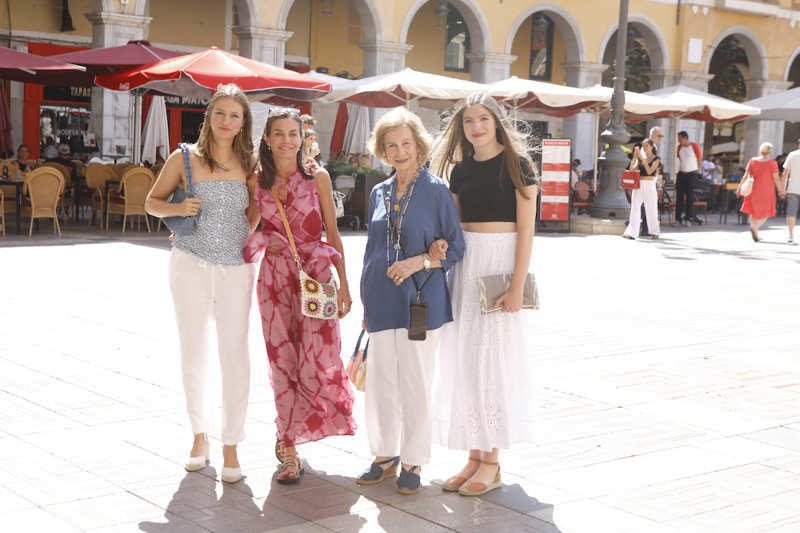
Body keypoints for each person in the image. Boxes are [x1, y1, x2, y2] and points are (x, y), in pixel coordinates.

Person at [144, 84, 259, 484]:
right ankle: (199, 436)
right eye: (221, 113)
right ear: (208, 116)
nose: (227, 122)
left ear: (244, 123)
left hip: (237, 268)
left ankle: (231, 443)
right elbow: (151, 202)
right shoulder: (184, 157)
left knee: (236, 357)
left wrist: (246, 235)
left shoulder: (251, 163)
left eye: (235, 115)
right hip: (189, 264)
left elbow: (259, 210)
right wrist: (177, 208)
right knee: (193, 353)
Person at [431, 93, 539, 497]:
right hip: (465, 265)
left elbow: (527, 231)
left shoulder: (518, 166)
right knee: (465, 360)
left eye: (483, 119)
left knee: (492, 361)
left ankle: (492, 461)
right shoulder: (458, 171)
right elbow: (453, 227)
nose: (476, 127)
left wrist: (515, 286)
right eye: (469, 121)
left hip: (500, 264)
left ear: (497, 122)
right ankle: (474, 455)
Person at [243, 109, 356, 484]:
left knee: (318, 357)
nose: (287, 140)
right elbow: (245, 223)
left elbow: (333, 234)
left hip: (316, 276)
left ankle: (303, 428)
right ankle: (287, 445)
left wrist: (344, 284)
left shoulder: (318, 177)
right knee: (281, 360)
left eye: (293, 134)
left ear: (303, 138)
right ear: (268, 139)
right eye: (279, 134)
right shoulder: (257, 181)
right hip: (274, 278)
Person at [357, 107, 464, 495]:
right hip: (381, 300)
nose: (399, 151)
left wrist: (420, 260)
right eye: (391, 145)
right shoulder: (378, 192)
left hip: (421, 300)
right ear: (382, 150)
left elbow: (455, 248)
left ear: (419, 145)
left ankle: (413, 459)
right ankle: (383, 455)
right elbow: (371, 250)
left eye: (406, 143)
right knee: (381, 382)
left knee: (416, 382)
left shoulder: (436, 191)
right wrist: (366, 302)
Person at [740, 142, 784, 242]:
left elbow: (746, 175)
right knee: (766, 212)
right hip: (767, 190)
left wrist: (740, 186)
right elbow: (776, 179)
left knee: (753, 211)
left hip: (753, 189)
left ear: (760, 150)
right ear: (770, 151)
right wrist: (780, 190)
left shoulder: (753, 160)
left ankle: (755, 231)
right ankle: (755, 229)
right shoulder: (772, 163)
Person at [623, 139, 660, 240]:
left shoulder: (656, 159)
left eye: (646, 146)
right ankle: (632, 233)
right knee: (635, 208)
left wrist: (643, 160)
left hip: (650, 184)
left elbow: (649, 171)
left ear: (652, 147)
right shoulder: (640, 158)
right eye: (643, 146)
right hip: (639, 184)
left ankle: (654, 231)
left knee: (651, 209)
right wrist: (635, 157)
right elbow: (631, 170)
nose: (644, 148)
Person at [676, 131, 702, 226]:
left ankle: (689, 218)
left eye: (680, 139)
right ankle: (678, 219)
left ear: (685, 138)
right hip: (682, 173)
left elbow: (699, 158)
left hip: (692, 174)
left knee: (690, 197)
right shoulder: (679, 147)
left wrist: (697, 171)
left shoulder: (694, 146)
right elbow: (677, 158)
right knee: (679, 197)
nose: (679, 141)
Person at [780, 138, 800, 243]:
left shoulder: (792, 155)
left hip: (793, 188)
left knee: (791, 212)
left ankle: (791, 235)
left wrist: (782, 189)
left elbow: (784, 174)